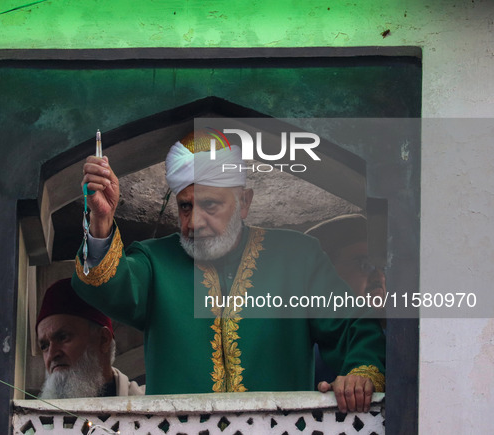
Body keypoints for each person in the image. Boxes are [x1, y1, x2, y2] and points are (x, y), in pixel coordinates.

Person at [72, 131, 385, 413]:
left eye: (210, 205)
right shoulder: (156, 260)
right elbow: (108, 284)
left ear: (244, 202)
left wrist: (360, 373)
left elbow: (354, 325)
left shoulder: (297, 257)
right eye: (185, 207)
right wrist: (100, 221)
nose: (193, 222)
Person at [305, 214, 387, 386]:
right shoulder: (306, 345)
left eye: (383, 267)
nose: (378, 276)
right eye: (364, 265)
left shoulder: (405, 340)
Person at [36, 278, 145, 399]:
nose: (52, 354)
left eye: (63, 337)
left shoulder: (151, 407)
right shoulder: (33, 417)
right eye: (44, 346)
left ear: (103, 340)